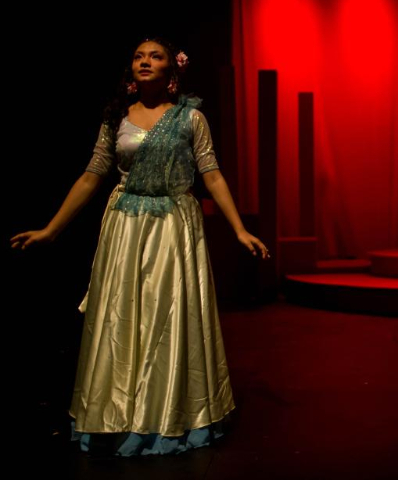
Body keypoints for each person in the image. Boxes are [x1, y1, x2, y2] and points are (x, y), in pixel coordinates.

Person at [10, 37, 268, 454]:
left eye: (156, 56)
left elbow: (212, 173)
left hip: (172, 226)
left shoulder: (189, 117)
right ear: (131, 69)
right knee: (122, 319)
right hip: (125, 227)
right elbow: (92, 174)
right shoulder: (116, 117)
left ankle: (166, 413)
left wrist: (237, 229)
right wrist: (51, 230)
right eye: (138, 56)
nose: (145, 62)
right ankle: (116, 413)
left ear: (172, 71)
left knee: (167, 317)